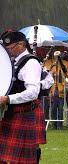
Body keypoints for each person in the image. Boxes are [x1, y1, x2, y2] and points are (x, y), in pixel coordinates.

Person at [0, 31, 42, 163]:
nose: (7, 51)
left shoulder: (31, 63)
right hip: (10, 114)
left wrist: (8, 99)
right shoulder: (12, 62)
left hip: (22, 115)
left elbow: (33, 92)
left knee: (22, 161)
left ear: (21, 44)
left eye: (9, 48)